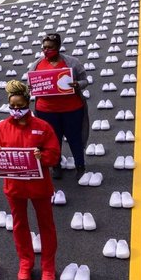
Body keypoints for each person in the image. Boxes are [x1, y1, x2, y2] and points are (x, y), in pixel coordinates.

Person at [0, 80, 61, 280]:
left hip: (39, 186)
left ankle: (48, 266)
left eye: (20, 105)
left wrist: (42, 157)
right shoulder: (1, 128)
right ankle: (25, 263)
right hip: (15, 186)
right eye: (13, 106)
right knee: (20, 225)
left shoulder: (42, 126)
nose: (16, 109)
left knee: (46, 225)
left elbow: (54, 154)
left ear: (28, 103)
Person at [27, 33, 90, 181]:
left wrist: (77, 85)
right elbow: (30, 84)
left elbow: (85, 80)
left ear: (58, 47)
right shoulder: (36, 64)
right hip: (46, 111)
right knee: (52, 140)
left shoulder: (72, 63)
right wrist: (31, 87)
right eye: (44, 48)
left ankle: (80, 165)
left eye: (50, 47)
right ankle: (56, 166)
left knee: (75, 138)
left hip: (72, 109)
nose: (47, 50)